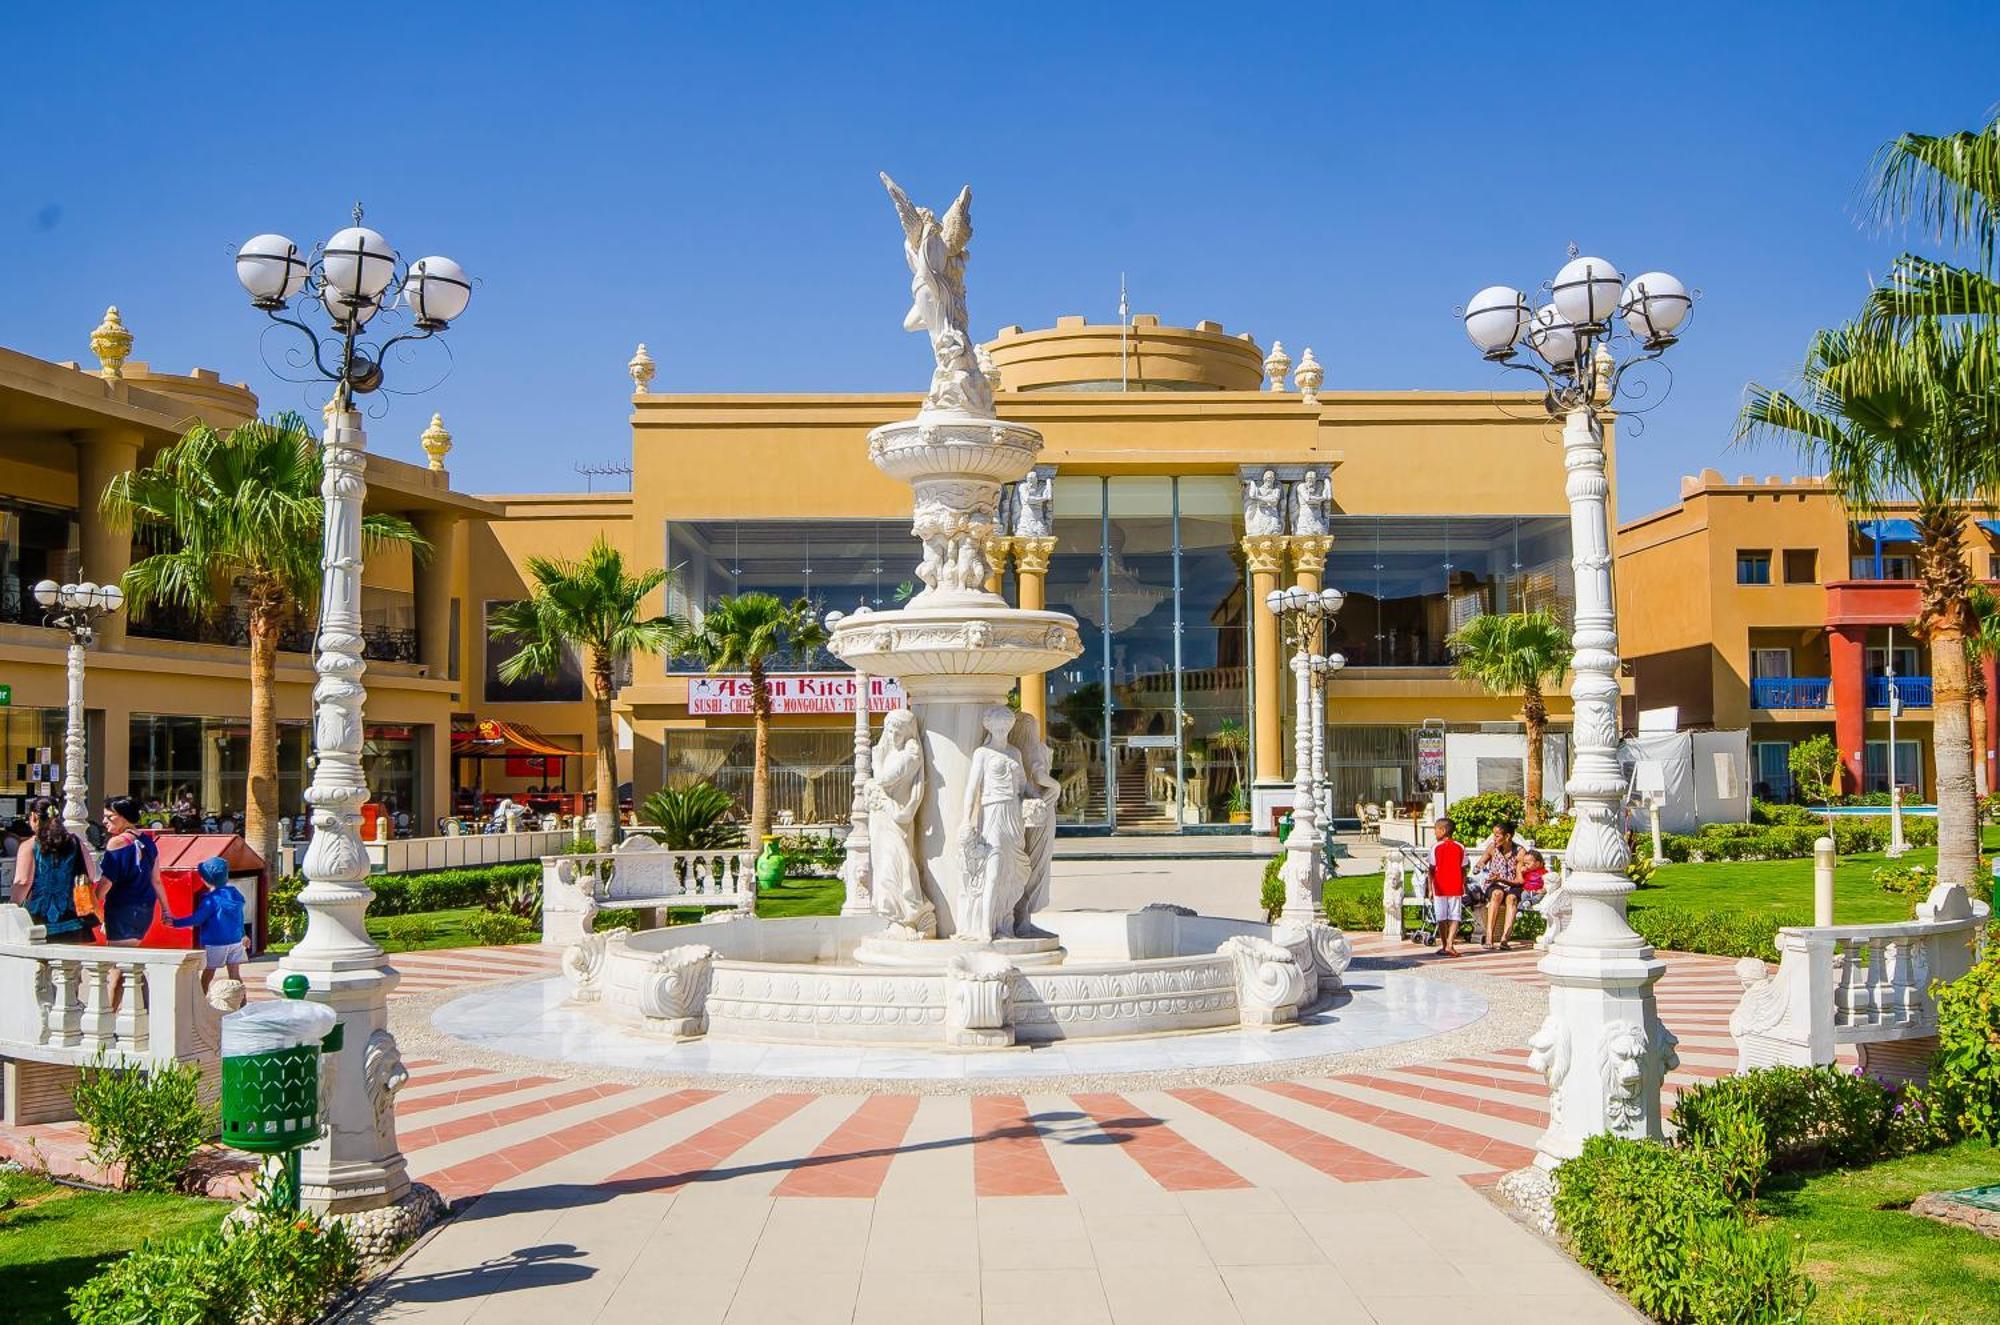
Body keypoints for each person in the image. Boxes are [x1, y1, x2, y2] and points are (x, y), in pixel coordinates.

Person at [9, 797, 98, 941]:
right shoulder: (75, 842)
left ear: (33, 817)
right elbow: (91, 875)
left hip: (38, 923)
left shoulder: (30, 846)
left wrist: (12, 908)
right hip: (74, 921)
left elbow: (23, 882)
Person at [167, 856, 247, 989]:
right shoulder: (235, 895)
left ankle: (201, 999)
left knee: (208, 972)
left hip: (216, 942)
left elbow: (198, 919)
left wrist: (175, 923)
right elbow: (240, 916)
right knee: (235, 975)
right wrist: (243, 933)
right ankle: (242, 1003)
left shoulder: (211, 900)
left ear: (206, 879)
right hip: (235, 941)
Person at [1477, 819, 1525, 951]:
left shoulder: (1519, 852)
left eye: (1497, 836)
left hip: (1512, 884)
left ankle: (1505, 939)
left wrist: (1503, 879)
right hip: (1494, 884)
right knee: (1497, 894)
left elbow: (1520, 880)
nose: (1494, 838)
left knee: (1512, 898)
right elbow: (1481, 862)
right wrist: (1480, 866)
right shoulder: (1492, 848)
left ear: (1507, 836)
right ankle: (1489, 937)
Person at [1429, 815, 1467, 957]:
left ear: (1443, 830)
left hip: (1439, 885)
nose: (1435, 833)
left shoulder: (1436, 847)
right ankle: (1449, 944)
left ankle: (1447, 944)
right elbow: (1464, 867)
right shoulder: (1460, 847)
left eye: (1436, 830)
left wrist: (1429, 887)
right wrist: (1463, 882)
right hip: (1455, 884)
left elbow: (1431, 869)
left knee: (1441, 916)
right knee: (1455, 915)